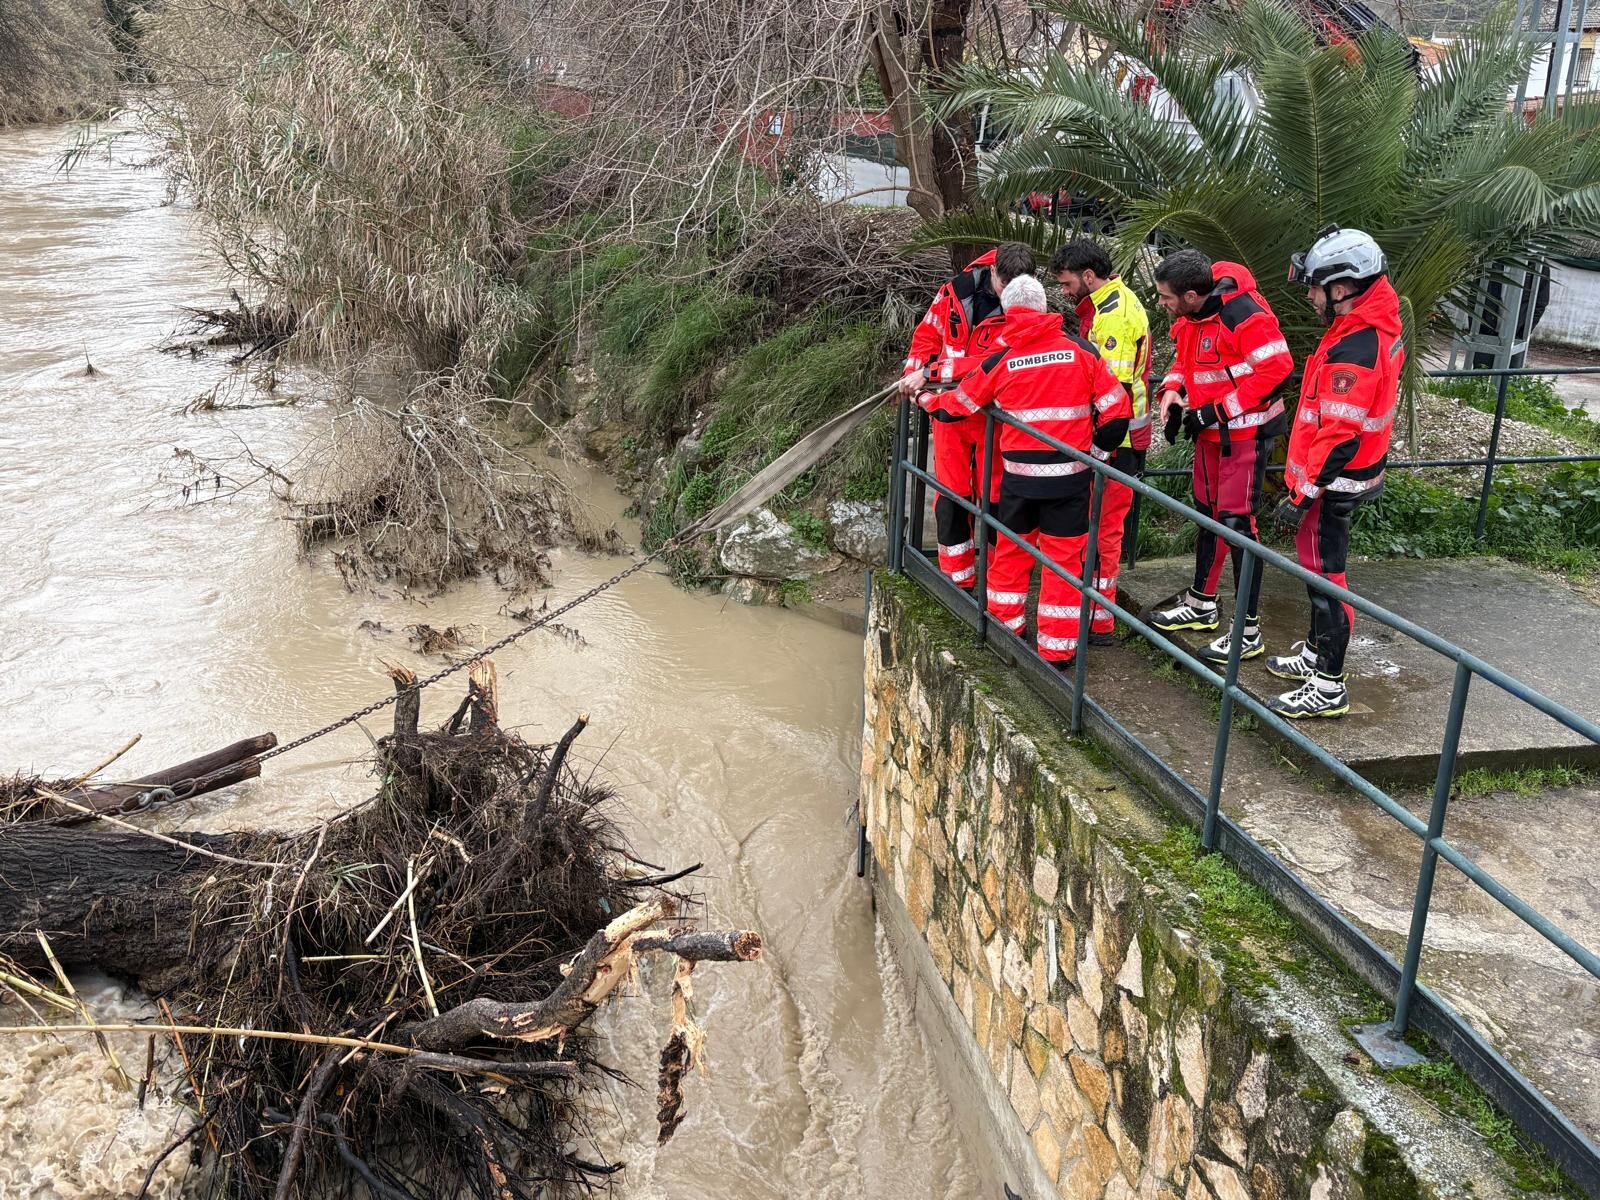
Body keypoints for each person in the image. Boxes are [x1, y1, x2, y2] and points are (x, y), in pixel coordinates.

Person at [946, 275, 1131, 668]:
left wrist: (922, 394)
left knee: (1011, 554)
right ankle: (1056, 653)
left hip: (1019, 482)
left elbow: (958, 405)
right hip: (1070, 483)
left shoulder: (1002, 359)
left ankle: (1005, 629)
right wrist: (1092, 455)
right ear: (1045, 309)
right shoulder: (1081, 351)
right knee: (1064, 564)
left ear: (1010, 313)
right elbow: (1118, 414)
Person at [1265, 226, 1403, 719]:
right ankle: (1315, 652)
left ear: (1342, 288)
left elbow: (1340, 434)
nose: (1309, 296)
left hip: (1332, 484)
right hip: (1334, 478)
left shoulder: (1357, 346)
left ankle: (1328, 684)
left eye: (1315, 287)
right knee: (1316, 572)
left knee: (1328, 579)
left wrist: (1300, 496)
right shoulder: (1362, 325)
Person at [1146, 250, 1294, 662]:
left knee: (1237, 525)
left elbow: (1277, 370)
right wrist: (1172, 391)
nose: (1162, 304)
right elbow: (1185, 358)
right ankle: (1201, 603)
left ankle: (1248, 630)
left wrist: (1218, 410)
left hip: (1245, 435)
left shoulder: (1242, 315)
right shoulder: (1194, 316)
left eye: (1165, 297)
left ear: (1192, 295)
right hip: (1211, 432)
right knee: (1207, 514)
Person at [897, 241, 1038, 590]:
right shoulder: (953, 292)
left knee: (997, 500)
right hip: (951, 414)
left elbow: (997, 363)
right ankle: (957, 579)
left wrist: (932, 373)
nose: (1010, 296)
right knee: (952, 496)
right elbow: (927, 335)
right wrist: (913, 376)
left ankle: (998, 582)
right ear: (993, 272)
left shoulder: (1028, 308)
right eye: (1006, 286)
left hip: (996, 418)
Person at [1050, 238, 1152, 644]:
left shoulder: (1114, 317)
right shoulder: (1111, 305)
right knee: (1100, 528)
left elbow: (1113, 393)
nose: (1064, 290)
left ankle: (1098, 620)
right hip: (1117, 439)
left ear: (1089, 276)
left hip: (1115, 442)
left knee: (1103, 529)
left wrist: (1095, 446)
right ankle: (1095, 614)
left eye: (1067, 282)